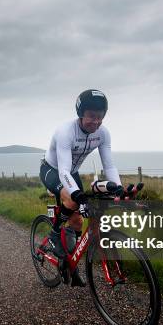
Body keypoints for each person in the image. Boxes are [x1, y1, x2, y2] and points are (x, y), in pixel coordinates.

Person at [39, 89, 123, 287]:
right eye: (91, 116)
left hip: (71, 172)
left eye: (100, 117)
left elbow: (109, 166)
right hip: (53, 170)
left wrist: (118, 189)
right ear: (80, 114)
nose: (96, 121)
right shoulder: (65, 132)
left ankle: (70, 262)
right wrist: (78, 195)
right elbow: (64, 171)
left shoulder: (103, 134)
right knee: (73, 200)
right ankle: (55, 232)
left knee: (77, 221)